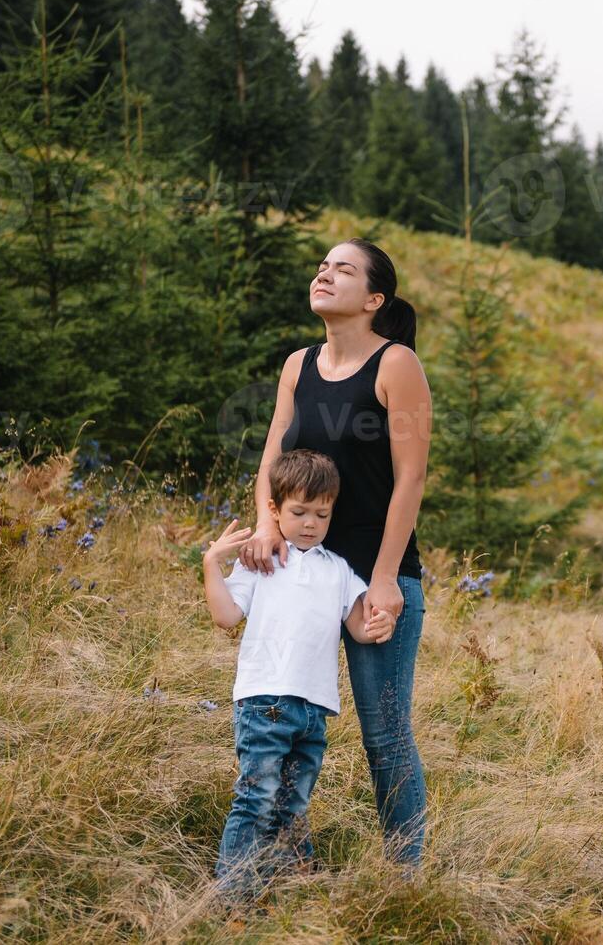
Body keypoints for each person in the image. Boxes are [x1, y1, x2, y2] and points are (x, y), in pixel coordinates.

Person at [237, 237, 433, 870]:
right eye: (323, 265)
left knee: (384, 734)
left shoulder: (396, 364)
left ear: (374, 299)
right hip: (301, 573)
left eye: (343, 269)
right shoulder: (298, 365)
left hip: (375, 578)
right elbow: (273, 459)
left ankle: (407, 876)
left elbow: (411, 479)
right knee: (285, 720)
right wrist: (265, 524)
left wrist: (383, 580)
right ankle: (292, 861)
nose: (324, 274)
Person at [201, 448, 396, 907]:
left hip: (314, 710)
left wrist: (379, 623)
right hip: (264, 702)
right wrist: (211, 565)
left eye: (321, 514)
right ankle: (233, 898)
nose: (310, 523)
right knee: (256, 799)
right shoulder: (261, 562)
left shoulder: (339, 570)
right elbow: (226, 616)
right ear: (274, 509)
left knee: (293, 806)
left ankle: (289, 892)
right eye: (299, 512)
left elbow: (359, 627)